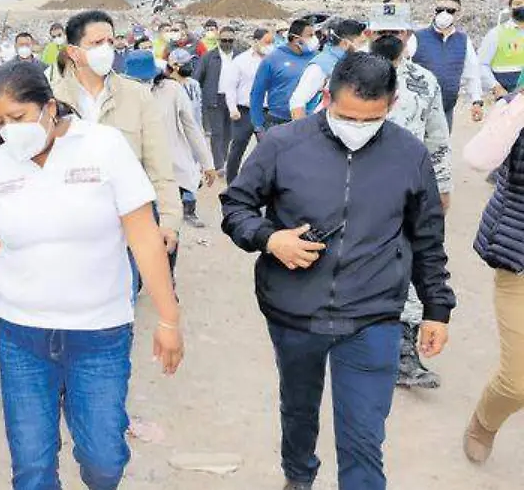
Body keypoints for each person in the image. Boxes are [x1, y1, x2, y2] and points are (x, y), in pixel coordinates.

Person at [0, 61, 184, 490]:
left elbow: (145, 238)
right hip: (23, 337)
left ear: (48, 107)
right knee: (31, 469)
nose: (9, 130)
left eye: (18, 118)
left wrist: (169, 319)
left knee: (103, 462)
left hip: (98, 335)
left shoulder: (103, 146)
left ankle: (93, 450)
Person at [221, 52, 456, 490]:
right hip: (295, 312)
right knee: (298, 409)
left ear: (392, 103)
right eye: (346, 115)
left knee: (364, 439)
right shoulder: (281, 144)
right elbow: (235, 207)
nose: (357, 128)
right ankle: (299, 475)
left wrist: (437, 309)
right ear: (326, 96)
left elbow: (427, 238)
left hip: (373, 316)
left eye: (371, 119)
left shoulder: (409, 154)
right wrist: (272, 239)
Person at [52, 11, 182, 254]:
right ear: (73, 52)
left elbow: (160, 165)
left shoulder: (137, 96)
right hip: (68, 228)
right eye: (96, 43)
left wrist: (168, 220)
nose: (106, 49)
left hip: (126, 226)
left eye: (110, 42)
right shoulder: (52, 99)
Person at [369, 28, 452, 390]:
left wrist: (443, 184)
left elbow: (437, 134)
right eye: (382, 28)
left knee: (413, 259)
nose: (390, 36)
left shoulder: (424, 81)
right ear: (370, 30)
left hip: (410, 188)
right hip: (360, 186)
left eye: (397, 30)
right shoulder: (350, 73)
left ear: (407, 33)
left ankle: (404, 352)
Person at [462, 84, 524, 464]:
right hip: (520, 262)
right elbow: (478, 157)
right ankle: (483, 425)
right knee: (518, 381)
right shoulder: (517, 109)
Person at [161, 50, 218, 229]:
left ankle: (189, 209)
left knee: (192, 172)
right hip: (174, 138)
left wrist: (200, 134)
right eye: (186, 63)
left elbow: (196, 111)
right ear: (174, 65)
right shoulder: (163, 87)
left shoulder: (193, 84)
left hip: (191, 134)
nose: (190, 66)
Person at [412, 0, 484, 129]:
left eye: (450, 10)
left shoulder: (463, 41)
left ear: (458, 14)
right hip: (418, 110)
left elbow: (472, 73)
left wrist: (476, 101)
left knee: (441, 147)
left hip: (446, 109)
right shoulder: (417, 37)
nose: (444, 14)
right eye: (440, 10)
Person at [221, 28, 273, 182]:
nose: (269, 46)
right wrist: (232, 108)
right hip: (244, 111)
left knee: (268, 148)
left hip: (266, 111)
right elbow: (230, 87)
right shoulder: (241, 61)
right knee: (238, 147)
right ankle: (231, 181)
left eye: (271, 42)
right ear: (255, 41)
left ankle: (265, 182)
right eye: (266, 42)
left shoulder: (273, 59)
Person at [250, 18, 317, 136]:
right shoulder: (272, 59)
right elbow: (257, 93)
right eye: (310, 35)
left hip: (310, 123)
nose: (314, 39)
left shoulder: (316, 59)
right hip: (278, 123)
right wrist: (258, 125)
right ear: (296, 39)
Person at [289, 18, 366, 119]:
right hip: (320, 127)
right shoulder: (321, 66)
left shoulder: (351, 61)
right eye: (361, 43)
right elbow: (297, 102)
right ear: (345, 43)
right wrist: (304, 132)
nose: (364, 47)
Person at [193, 25, 235, 171]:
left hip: (233, 100)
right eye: (224, 40)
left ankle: (223, 158)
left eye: (230, 40)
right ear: (218, 40)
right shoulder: (208, 57)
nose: (227, 43)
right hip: (214, 99)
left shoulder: (240, 56)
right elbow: (197, 78)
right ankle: (219, 165)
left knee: (229, 133)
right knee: (217, 133)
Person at [478, 0, 524, 96]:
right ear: (510, 8)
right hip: (507, 98)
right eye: (518, 4)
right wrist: (495, 87)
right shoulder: (496, 34)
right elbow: (481, 64)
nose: (522, 7)